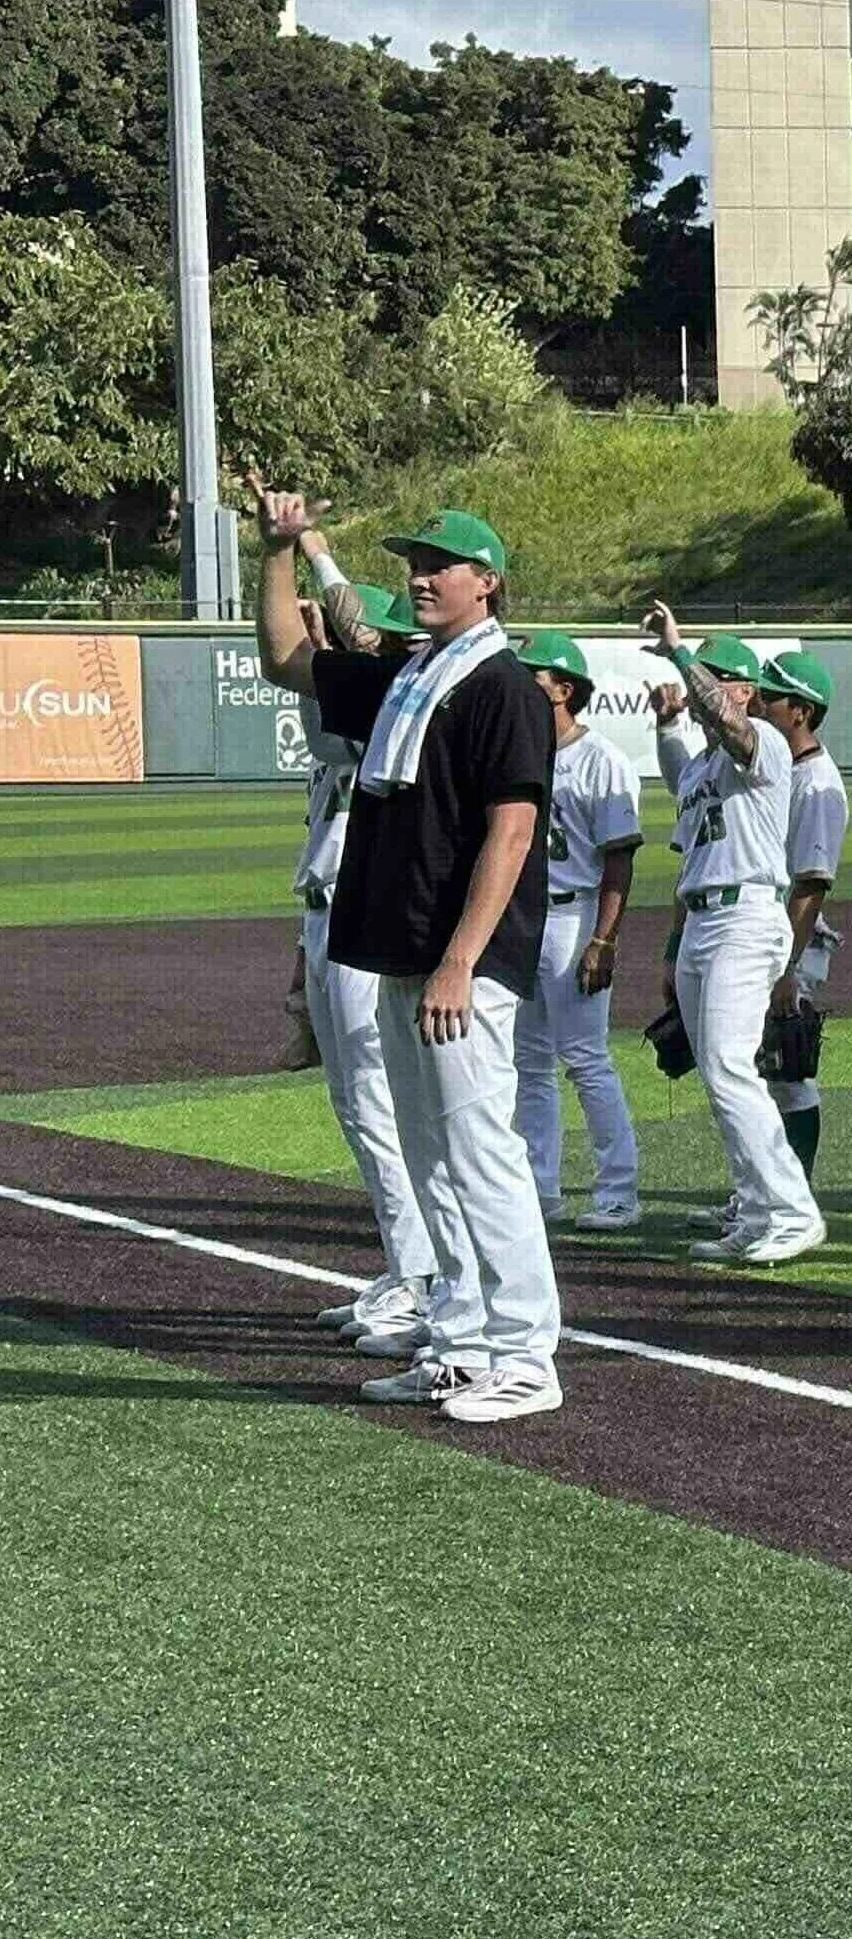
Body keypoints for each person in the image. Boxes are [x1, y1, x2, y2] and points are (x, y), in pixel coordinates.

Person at [253, 494, 568, 1424]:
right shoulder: (411, 678)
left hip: (459, 962)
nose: (420, 576)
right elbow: (285, 659)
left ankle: (525, 1353)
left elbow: (512, 833)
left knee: (481, 1154)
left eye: (440, 562)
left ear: (488, 582)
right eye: (414, 561)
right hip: (400, 955)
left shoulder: (502, 685)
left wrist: (461, 959)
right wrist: (275, 549)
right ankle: (463, 1342)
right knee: (432, 1158)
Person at [256, 544, 440, 1358]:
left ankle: (421, 1276)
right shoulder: (352, 706)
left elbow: (354, 640)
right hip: (331, 917)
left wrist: (315, 559)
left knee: (380, 1102)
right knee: (357, 1103)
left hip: (369, 924)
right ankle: (409, 1265)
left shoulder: (393, 700)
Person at [647, 610, 828, 1267]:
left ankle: (792, 1209)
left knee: (727, 1064)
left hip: (747, 914)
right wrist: (668, 722)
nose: (703, 693)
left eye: (716, 682)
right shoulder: (702, 766)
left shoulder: (766, 746)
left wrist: (676, 653)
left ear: (744, 691)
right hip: (703, 918)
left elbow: (727, 724)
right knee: (724, 1070)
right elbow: (684, 785)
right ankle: (755, 1210)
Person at [512, 632, 643, 1231]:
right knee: (530, 1062)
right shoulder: (516, 751)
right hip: (523, 917)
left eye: (534, 677)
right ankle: (541, 1188)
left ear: (564, 690)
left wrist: (604, 938)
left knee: (585, 1057)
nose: (523, 684)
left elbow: (619, 856)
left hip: (575, 914)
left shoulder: (602, 759)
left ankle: (618, 1191)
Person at [757, 650, 850, 1192]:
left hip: (793, 937)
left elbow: (812, 882)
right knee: (756, 1071)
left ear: (800, 711)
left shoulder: (818, 784)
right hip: (762, 931)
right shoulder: (777, 769)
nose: (760, 704)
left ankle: (795, 1192)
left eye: (770, 697)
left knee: (787, 1069)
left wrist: (785, 966)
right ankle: (760, 1191)